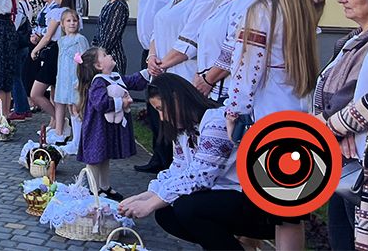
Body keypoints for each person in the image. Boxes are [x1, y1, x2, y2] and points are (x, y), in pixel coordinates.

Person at [224, 0, 322, 250]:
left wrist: (233, 112)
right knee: (290, 212)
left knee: (265, 205)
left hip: (269, 118)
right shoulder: (305, 9)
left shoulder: (259, 11)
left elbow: (246, 70)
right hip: (301, 115)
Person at [118, 74, 277, 249]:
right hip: (225, 198)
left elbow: (200, 177)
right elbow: (178, 170)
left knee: (187, 207)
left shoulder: (216, 122)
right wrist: (144, 196)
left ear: (176, 99)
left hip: (255, 203)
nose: (162, 117)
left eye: (162, 109)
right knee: (165, 212)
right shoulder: (185, 130)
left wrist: (149, 204)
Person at [312, 0, 368, 251]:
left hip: (359, 158)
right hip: (341, 155)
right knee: (343, 238)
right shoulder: (353, 39)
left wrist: (326, 126)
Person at [76, 47, 145, 201]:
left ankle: (105, 186)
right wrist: (122, 102)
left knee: (104, 156)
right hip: (96, 128)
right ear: (98, 65)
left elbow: (132, 81)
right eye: (105, 55)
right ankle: (94, 189)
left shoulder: (115, 77)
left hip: (106, 129)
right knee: (95, 158)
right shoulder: (98, 81)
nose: (109, 55)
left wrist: (147, 73)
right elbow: (100, 103)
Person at [135, 0, 177, 174]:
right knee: (152, 109)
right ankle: (157, 156)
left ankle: (169, 159)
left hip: (165, 56)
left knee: (164, 109)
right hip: (149, 53)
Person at [193, 0, 255, 101]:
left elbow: (235, 45)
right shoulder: (228, 1)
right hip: (211, 84)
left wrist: (208, 80)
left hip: (225, 89)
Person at [29, 0, 73, 136]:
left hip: (54, 51)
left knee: (37, 93)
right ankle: (57, 124)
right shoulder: (66, 10)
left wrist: (35, 50)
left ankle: (60, 121)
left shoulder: (58, 11)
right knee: (55, 92)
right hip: (58, 50)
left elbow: (48, 36)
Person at [53, 10, 89, 146]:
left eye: (74, 20)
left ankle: (78, 140)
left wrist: (81, 78)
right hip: (64, 78)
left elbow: (85, 59)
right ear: (62, 24)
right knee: (68, 105)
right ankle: (68, 136)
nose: (72, 23)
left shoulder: (80, 39)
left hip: (75, 78)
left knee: (76, 107)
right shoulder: (61, 41)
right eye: (68, 21)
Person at [93, 0, 130, 74]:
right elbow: (100, 32)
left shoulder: (119, 6)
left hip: (112, 57)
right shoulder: (109, 5)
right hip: (102, 54)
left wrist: (99, 54)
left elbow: (111, 35)